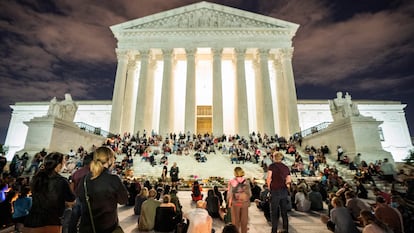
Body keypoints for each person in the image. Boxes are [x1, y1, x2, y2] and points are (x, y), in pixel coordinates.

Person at [76, 146, 128, 233]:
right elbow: (123, 200)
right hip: (107, 227)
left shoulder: (84, 179)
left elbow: (80, 198)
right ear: (110, 160)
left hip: (87, 227)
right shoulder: (113, 179)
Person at [24, 152, 76, 233]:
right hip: (50, 223)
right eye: (63, 162)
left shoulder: (36, 178)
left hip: (31, 221)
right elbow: (71, 200)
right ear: (59, 165)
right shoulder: (61, 181)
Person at [68, 152, 93, 233]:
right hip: (86, 200)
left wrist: (73, 198)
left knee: (73, 221)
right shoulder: (91, 173)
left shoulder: (76, 172)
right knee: (85, 221)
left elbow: (71, 187)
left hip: (76, 198)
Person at [266, 151, 291, 233]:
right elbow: (289, 180)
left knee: (274, 212)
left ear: (274, 157)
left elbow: (269, 178)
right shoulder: (286, 167)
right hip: (283, 191)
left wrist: (269, 187)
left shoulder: (272, 166)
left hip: (275, 191)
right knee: (284, 212)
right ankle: (285, 230)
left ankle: (274, 230)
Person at [227, 166, 251, 233]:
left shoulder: (232, 181)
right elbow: (249, 194)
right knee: (244, 221)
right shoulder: (246, 181)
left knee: (235, 221)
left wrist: (229, 203)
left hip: (235, 203)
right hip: (244, 203)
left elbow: (230, 194)